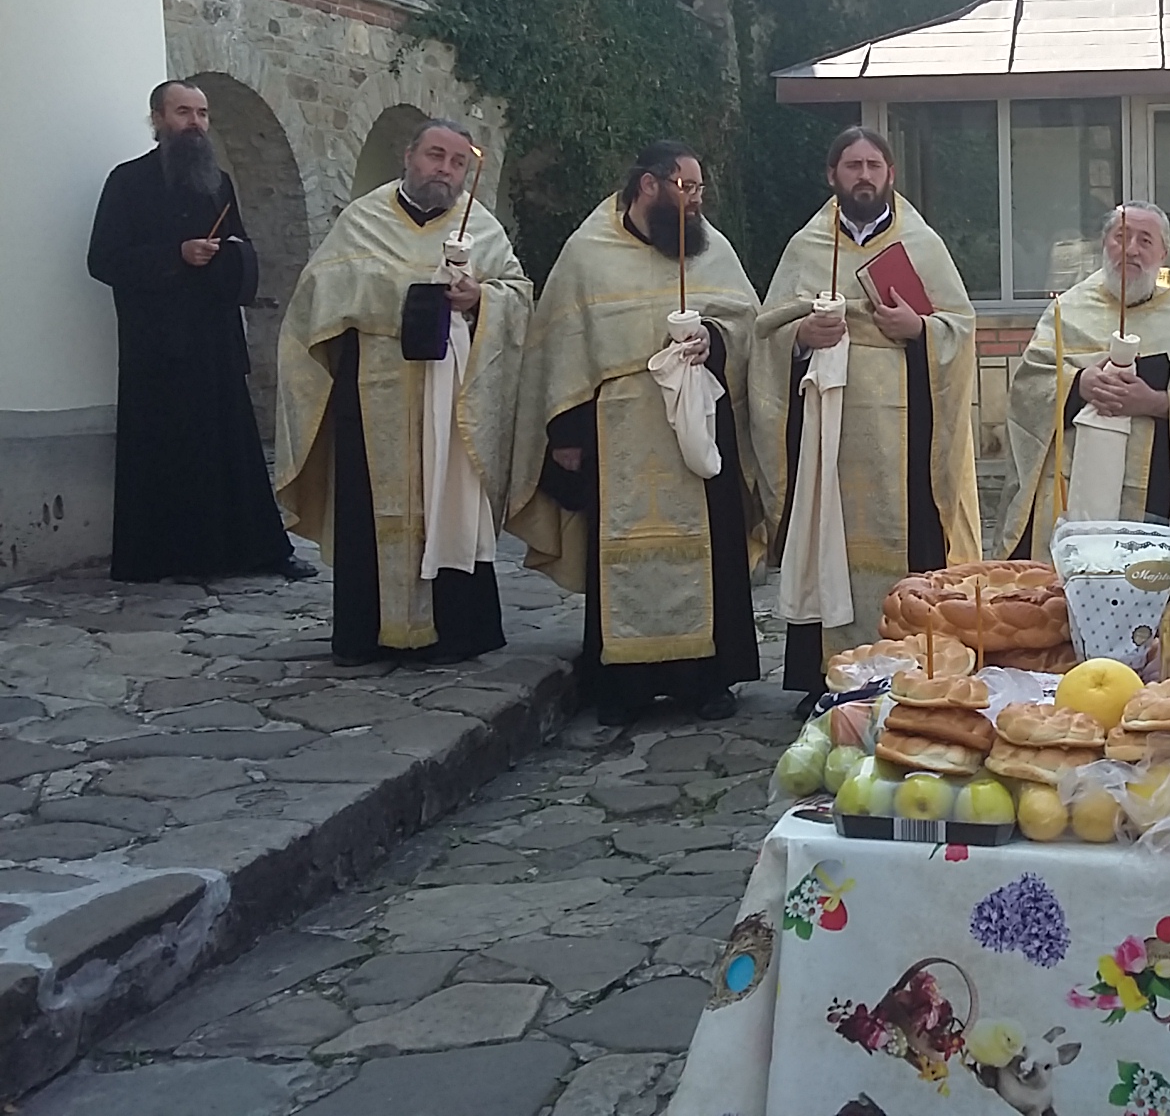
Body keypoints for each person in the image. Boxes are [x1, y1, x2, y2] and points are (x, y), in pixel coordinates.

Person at [507, 142, 761, 725]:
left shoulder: (710, 247)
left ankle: (709, 681)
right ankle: (624, 686)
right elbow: (561, 347)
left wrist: (713, 340)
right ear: (649, 185)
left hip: (698, 423)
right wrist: (566, 435)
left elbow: (746, 323)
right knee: (620, 554)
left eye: (700, 189)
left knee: (713, 553)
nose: (696, 201)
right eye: (686, 187)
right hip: (615, 431)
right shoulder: (587, 252)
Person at [274, 119, 531, 666]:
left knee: (451, 503)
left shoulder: (480, 227)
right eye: (435, 155)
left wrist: (480, 298)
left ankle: (455, 632)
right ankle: (367, 633)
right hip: (373, 398)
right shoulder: (362, 220)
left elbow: (518, 294)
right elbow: (316, 301)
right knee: (369, 513)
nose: (445, 169)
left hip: (454, 403)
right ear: (409, 156)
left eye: (457, 162)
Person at [753, 127, 981, 698]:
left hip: (908, 432)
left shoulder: (922, 244)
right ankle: (824, 677)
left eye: (873, 165)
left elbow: (960, 329)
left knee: (916, 546)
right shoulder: (805, 247)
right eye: (852, 165)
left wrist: (919, 328)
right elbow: (768, 334)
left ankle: (917, 674)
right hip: (826, 432)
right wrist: (802, 336)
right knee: (824, 539)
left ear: (890, 174)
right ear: (832, 175)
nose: (864, 176)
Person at [86, 80, 311, 584]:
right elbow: (103, 260)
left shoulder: (218, 183)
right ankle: (180, 558)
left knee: (232, 450)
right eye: (183, 112)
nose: (195, 123)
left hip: (214, 341)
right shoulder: (127, 182)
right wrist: (177, 255)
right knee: (173, 453)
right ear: (157, 119)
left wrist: (226, 255)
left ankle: (256, 551)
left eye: (202, 113)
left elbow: (242, 248)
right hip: (158, 348)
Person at [996, 202, 1170, 560]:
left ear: (1164, 254)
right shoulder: (1068, 309)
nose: (1131, 249)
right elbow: (1028, 390)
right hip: (1070, 486)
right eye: (1121, 237)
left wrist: (1155, 402)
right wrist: (1078, 384)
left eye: (1145, 240)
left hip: (1154, 498)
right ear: (1104, 244)